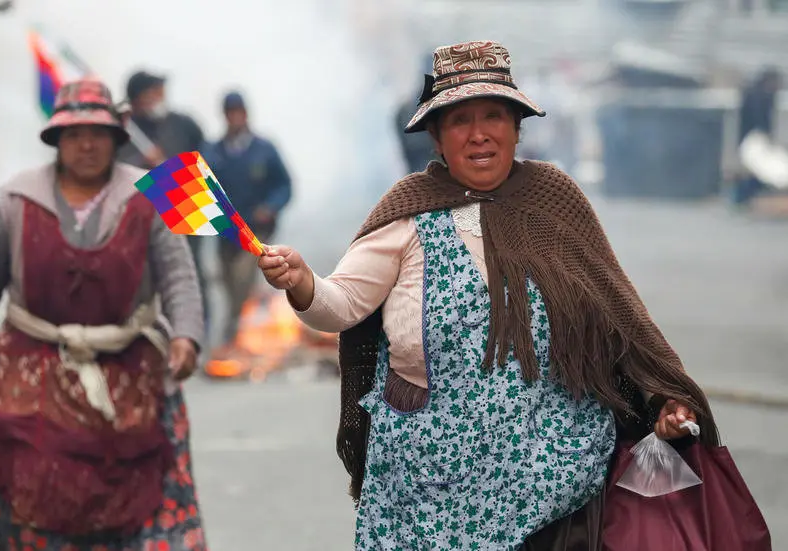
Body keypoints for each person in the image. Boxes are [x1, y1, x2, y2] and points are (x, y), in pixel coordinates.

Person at [258, 41, 720, 550]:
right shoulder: (408, 213)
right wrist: (302, 281)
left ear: (517, 127)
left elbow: (617, 317)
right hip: (426, 490)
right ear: (436, 136)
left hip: (553, 484)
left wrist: (660, 396)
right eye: (459, 121)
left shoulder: (554, 202)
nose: (478, 134)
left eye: (494, 116)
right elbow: (341, 305)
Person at [0, 78, 208, 550]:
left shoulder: (152, 192)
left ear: (116, 138)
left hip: (131, 372)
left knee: (144, 497)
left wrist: (185, 339)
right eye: (74, 135)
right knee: (34, 498)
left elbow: (178, 276)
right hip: (33, 376)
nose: (86, 145)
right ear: (56, 141)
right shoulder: (17, 199)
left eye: (98, 133)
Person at [118, 70, 211, 332]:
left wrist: (178, 168)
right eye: (153, 93)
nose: (160, 99)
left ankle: (195, 333)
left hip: (188, 210)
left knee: (192, 274)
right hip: (143, 220)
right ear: (137, 99)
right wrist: (142, 164)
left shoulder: (184, 125)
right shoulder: (124, 131)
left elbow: (209, 161)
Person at [202, 91, 292, 350]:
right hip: (227, 231)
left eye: (238, 112)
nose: (235, 117)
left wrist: (271, 207)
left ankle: (234, 333)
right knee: (228, 281)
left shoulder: (264, 149)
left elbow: (284, 184)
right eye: (230, 113)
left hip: (256, 229)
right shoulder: (214, 152)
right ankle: (241, 329)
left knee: (243, 278)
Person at [733, 67, 782, 207]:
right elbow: (759, 118)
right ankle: (741, 198)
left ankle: (743, 198)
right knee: (757, 170)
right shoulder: (759, 95)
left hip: (751, 137)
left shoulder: (758, 93)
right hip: (754, 138)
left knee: (754, 170)